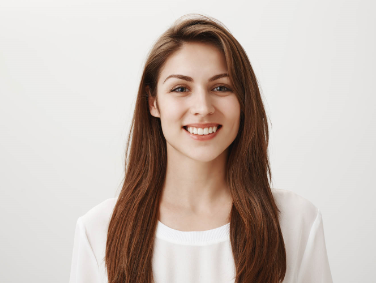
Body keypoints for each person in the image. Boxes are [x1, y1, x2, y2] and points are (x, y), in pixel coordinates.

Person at [69, 13, 333, 283]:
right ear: (153, 102)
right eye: (181, 89)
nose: (203, 108)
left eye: (221, 87)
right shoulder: (98, 230)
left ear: (244, 100)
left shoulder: (297, 222)